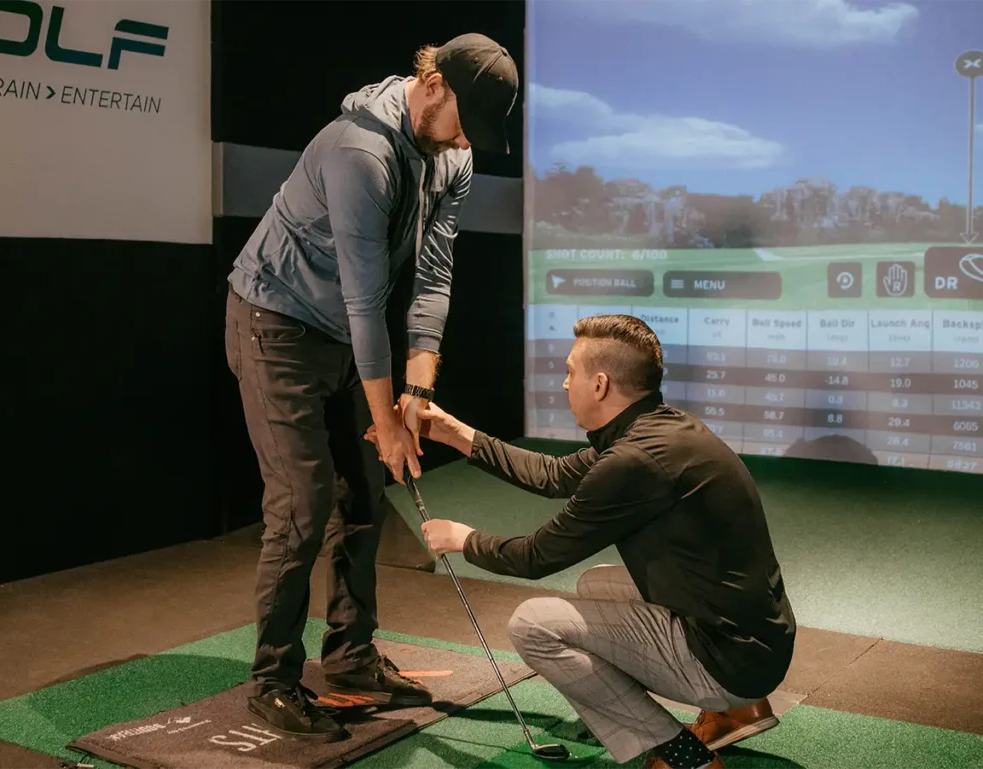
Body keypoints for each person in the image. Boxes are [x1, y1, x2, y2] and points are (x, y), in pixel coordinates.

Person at [223, 33, 519, 742]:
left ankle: (351, 659)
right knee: (301, 505)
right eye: (463, 121)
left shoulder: (452, 155)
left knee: (361, 497)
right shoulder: (361, 153)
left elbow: (433, 277)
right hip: (276, 323)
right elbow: (364, 300)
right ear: (436, 84)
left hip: (340, 332)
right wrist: (386, 421)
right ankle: (272, 679)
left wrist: (415, 394)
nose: (464, 142)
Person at [370, 314, 796, 768]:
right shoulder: (660, 427)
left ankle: (682, 755)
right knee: (597, 585)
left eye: (570, 372)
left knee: (534, 625)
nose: (563, 383)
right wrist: (455, 433)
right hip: (756, 640)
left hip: (728, 658)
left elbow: (536, 556)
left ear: (600, 385)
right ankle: (738, 709)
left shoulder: (634, 461)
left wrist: (464, 538)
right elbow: (553, 474)